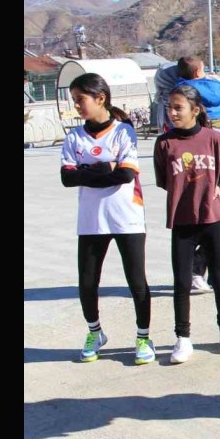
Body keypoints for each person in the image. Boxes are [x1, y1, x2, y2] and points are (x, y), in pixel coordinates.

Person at [59, 73, 155, 365]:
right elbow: (66, 178)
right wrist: (105, 168)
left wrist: (86, 171)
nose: (76, 105)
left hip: (126, 217)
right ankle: (94, 333)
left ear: (100, 98)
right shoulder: (74, 137)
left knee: (136, 281)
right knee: (87, 282)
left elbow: (126, 174)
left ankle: (142, 337)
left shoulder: (124, 132)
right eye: (74, 100)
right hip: (91, 220)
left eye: (80, 99)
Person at [153, 84, 220, 364]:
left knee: (219, 277)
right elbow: (164, 181)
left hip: (213, 217)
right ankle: (183, 338)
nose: (172, 113)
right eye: (169, 107)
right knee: (182, 281)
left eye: (178, 107)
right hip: (183, 219)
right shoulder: (164, 143)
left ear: (195, 111)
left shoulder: (213, 138)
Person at [173, 56, 220, 130]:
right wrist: (216, 81)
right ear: (197, 72)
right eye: (203, 70)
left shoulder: (182, 88)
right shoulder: (214, 86)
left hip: (199, 123)